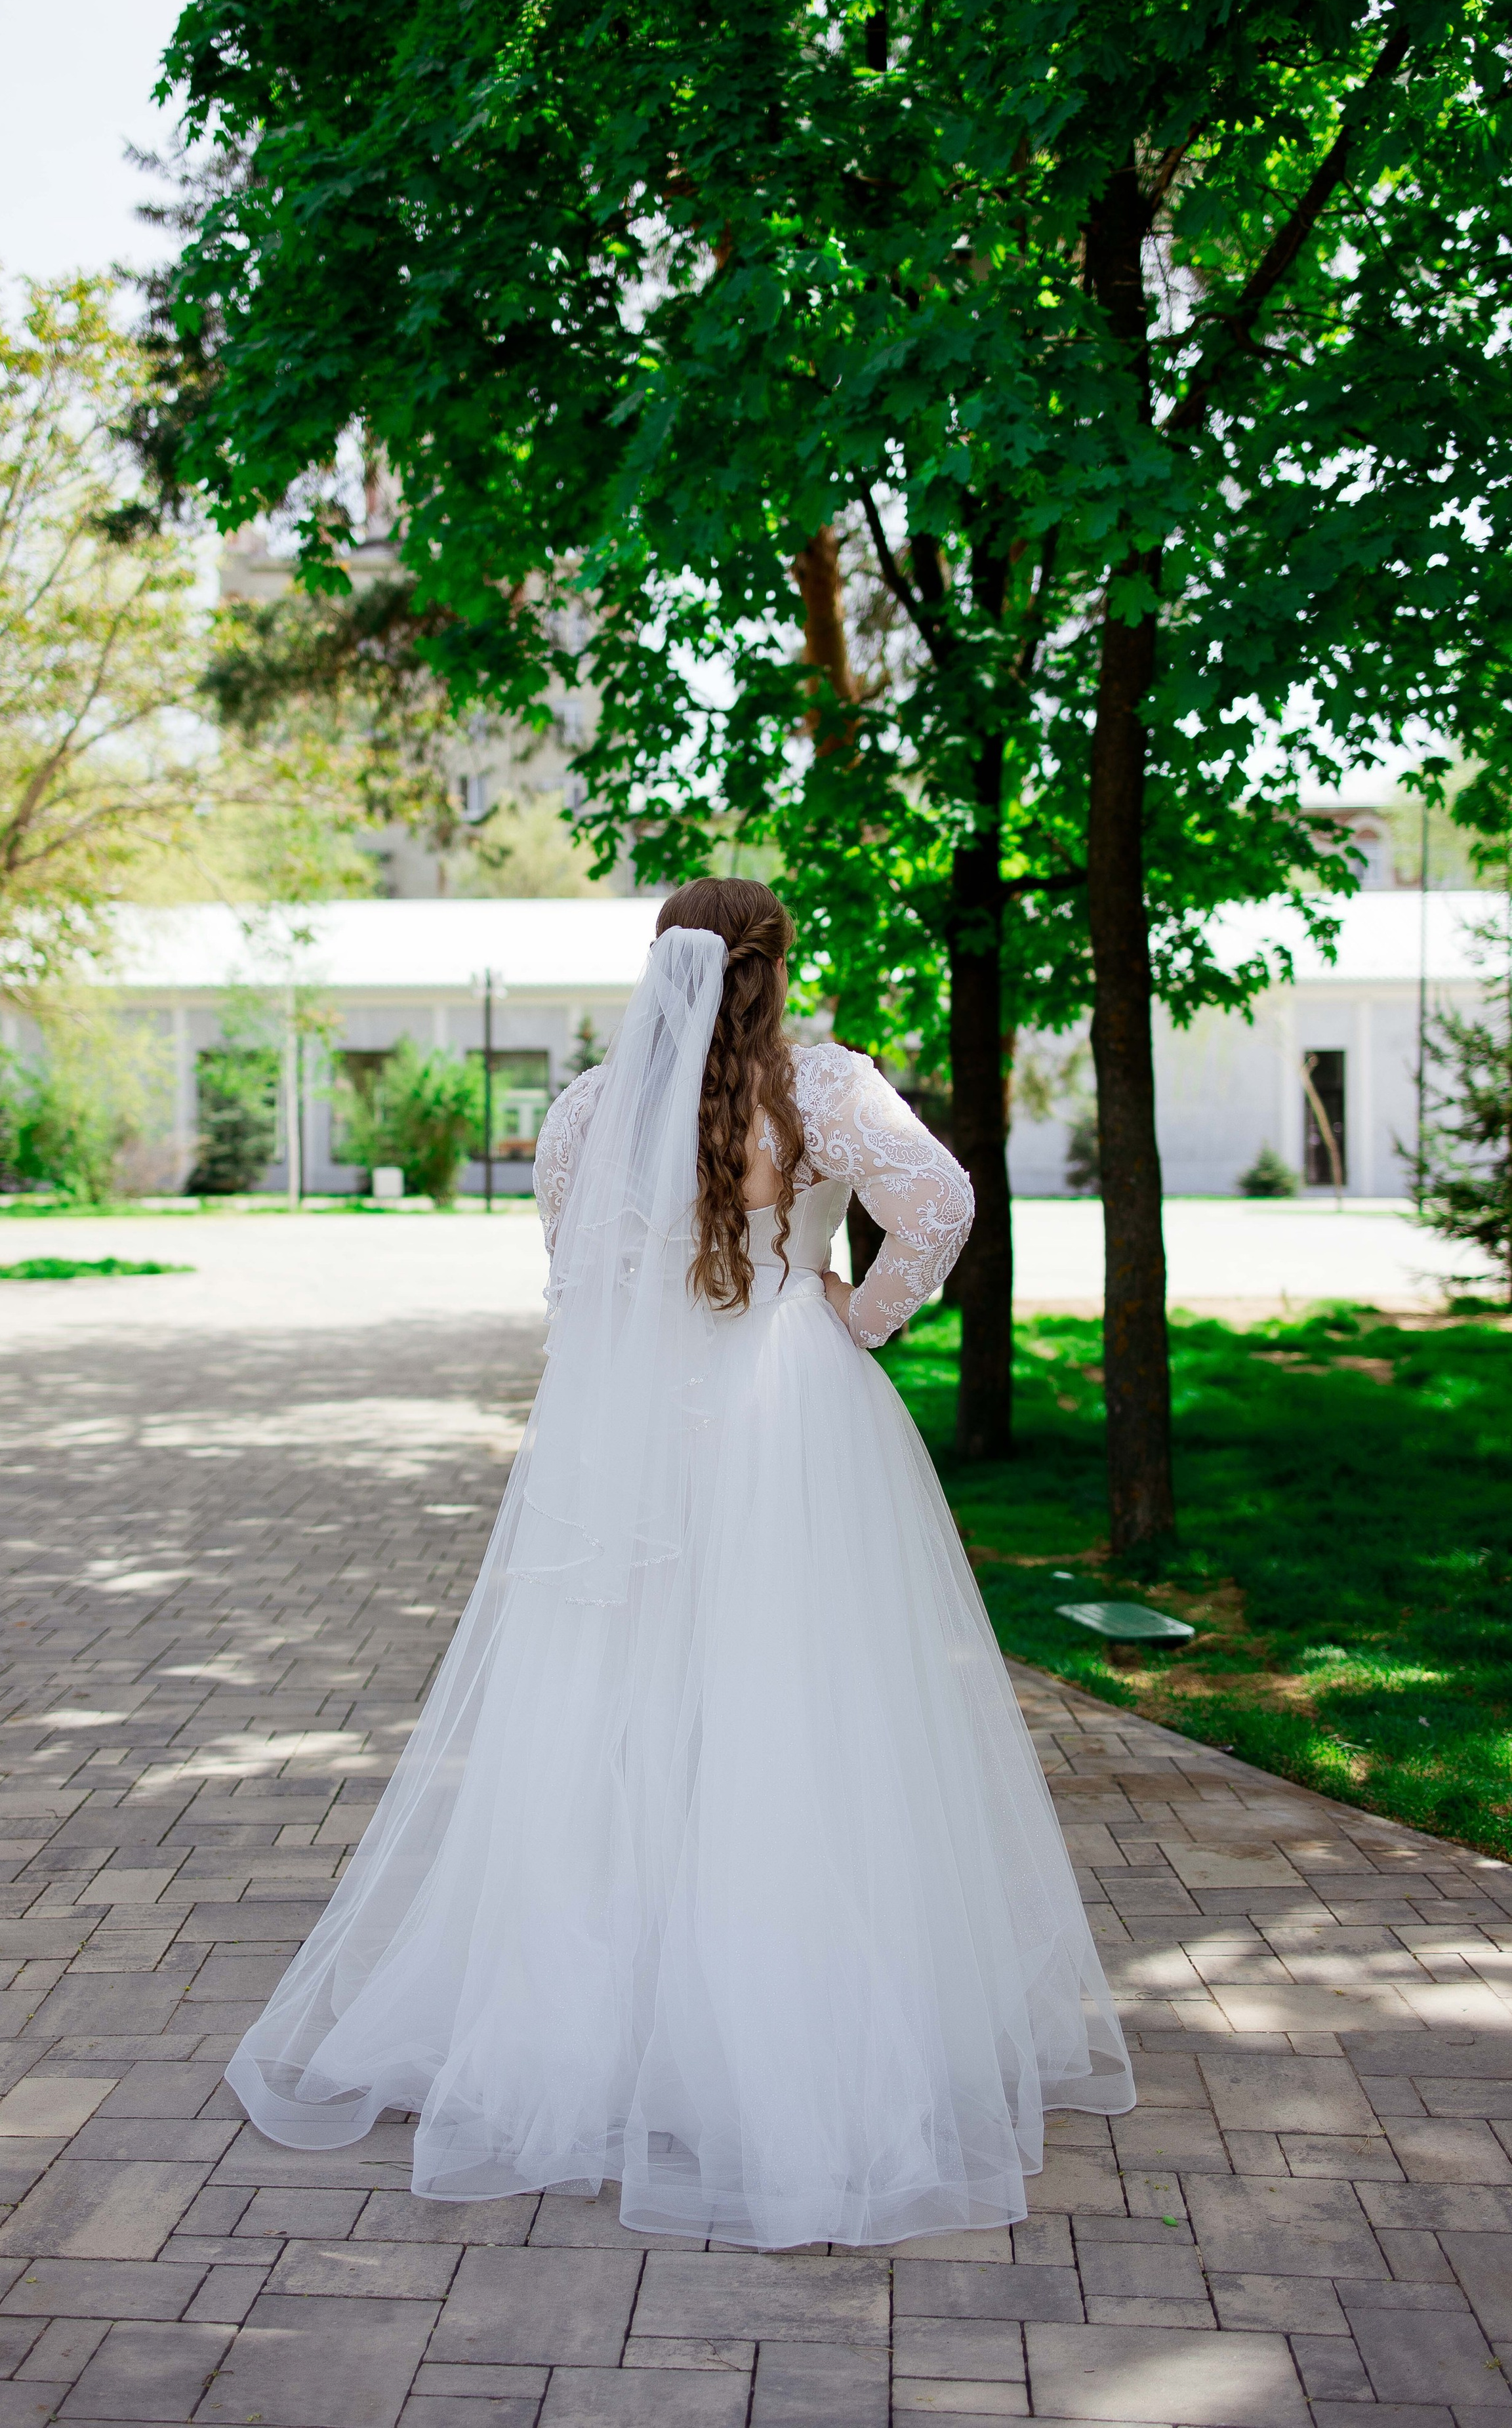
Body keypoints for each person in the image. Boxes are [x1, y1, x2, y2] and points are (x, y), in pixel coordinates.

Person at [226, 878, 1133, 2248]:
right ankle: (788, 2026)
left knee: (619, 1708)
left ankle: (607, 2024)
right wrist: (855, 1308)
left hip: (637, 1442)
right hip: (794, 1417)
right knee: (796, 1705)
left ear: (662, 966)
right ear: (778, 962)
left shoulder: (592, 1107)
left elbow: (574, 1274)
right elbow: (937, 1200)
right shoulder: (824, 1088)